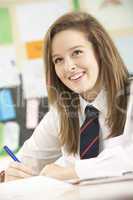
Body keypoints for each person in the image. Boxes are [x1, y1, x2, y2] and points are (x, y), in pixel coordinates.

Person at [4, 11, 133, 182]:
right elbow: (26, 161)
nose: (68, 67)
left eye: (77, 52)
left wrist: (73, 172)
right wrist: (9, 175)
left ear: (100, 51)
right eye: (58, 60)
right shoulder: (62, 113)